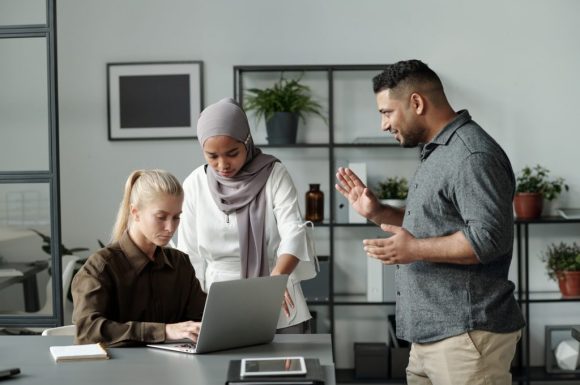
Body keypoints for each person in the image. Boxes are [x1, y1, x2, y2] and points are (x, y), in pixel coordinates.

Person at [335, 60, 525, 385]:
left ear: (417, 103)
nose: (383, 125)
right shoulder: (438, 151)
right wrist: (378, 211)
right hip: (430, 339)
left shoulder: (471, 155)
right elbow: (433, 225)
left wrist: (414, 249)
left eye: (386, 112)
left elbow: (490, 239)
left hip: (466, 337)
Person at [177, 97, 316, 334]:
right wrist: (193, 305)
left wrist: (276, 281)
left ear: (247, 142)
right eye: (212, 156)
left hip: (276, 289)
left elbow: (293, 230)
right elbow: (188, 253)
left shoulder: (274, 174)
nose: (223, 165)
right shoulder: (194, 184)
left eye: (232, 153)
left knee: (287, 367)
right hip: (215, 297)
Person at [72, 169, 207, 346]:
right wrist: (164, 331)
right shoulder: (101, 267)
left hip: (175, 369)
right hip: (114, 372)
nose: (170, 227)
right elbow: (87, 331)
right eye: (161, 217)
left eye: (176, 217)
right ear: (135, 212)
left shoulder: (180, 263)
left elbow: (203, 320)